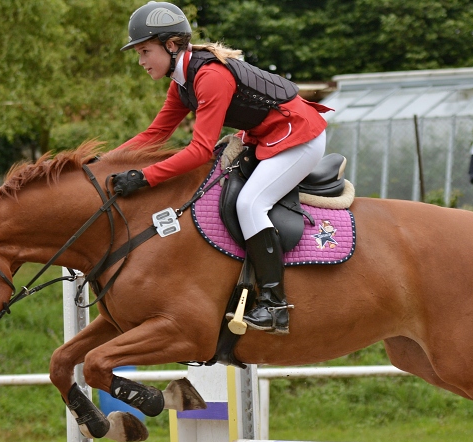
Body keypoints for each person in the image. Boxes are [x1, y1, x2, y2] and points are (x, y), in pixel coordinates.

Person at [110, 1, 332, 335]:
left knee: (250, 203)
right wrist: (103, 164)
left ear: (171, 46)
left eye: (144, 51)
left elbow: (199, 151)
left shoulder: (210, 76)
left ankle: (274, 305)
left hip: (299, 138)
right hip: (267, 138)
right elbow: (155, 134)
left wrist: (144, 177)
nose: (141, 62)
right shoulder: (182, 82)